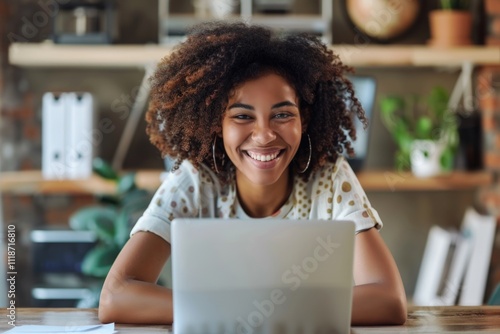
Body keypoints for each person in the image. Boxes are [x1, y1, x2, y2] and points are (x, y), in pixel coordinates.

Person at [98, 21, 407, 326]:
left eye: (283, 114)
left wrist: (247, 308)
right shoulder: (195, 181)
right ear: (217, 124)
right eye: (243, 116)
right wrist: (253, 308)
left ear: (306, 119)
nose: (264, 135)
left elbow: (389, 301)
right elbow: (115, 297)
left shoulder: (329, 178)